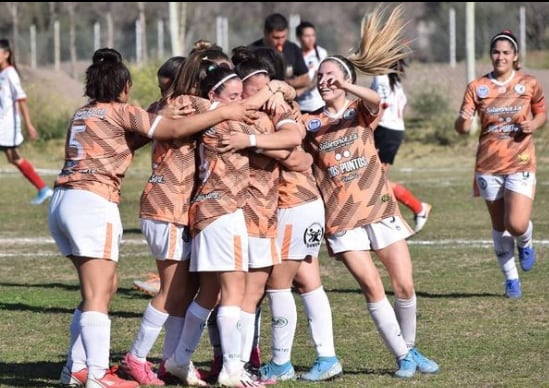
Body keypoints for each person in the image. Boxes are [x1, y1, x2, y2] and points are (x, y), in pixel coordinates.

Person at [229, 4, 440, 379]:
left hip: (381, 211)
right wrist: (278, 87)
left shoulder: (360, 111)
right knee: (372, 284)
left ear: (344, 79)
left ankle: (408, 349)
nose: (325, 80)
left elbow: (379, 101)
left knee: (404, 285)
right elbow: (287, 120)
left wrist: (345, 83)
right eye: (322, 75)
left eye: (331, 75)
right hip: (343, 221)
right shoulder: (310, 122)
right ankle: (404, 356)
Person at [51, 47, 256, 388]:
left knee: (100, 289)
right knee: (109, 292)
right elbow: (170, 130)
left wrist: (161, 109)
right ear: (125, 87)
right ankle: (107, 372)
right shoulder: (122, 111)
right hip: (101, 201)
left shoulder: (83, 113)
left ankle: (77, 368)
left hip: (64, 201)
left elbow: (134, 136)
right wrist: (225, 111)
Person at [224, 46, 343, 383]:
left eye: (243, 85)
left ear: (259, 81)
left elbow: (297, 157)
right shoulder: (275, 99)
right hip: (303, 206)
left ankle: (280, 363)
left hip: (295, 206)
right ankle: (327, 356)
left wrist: (249, 141)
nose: (240, 93)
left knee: (276, 285)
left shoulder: (273, 109)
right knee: (309, 281)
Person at [454, 29, 546, 298]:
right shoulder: (477, 87)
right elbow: (462, 126)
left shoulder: (529, 83)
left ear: (515, 56)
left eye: (506, 52)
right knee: (499, 226)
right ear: (490, 55)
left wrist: (534, 124)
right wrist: (462, 122)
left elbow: (541, 112)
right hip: (488, 164)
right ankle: (511, 280)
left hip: (521, 160)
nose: (501, 56)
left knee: (516, 224)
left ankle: (526, 241)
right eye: (496, 52)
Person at [131, 56, 186, 298]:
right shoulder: (159, 108)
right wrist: (156, 119)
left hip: (186, 198)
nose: (164, 95)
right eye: (160, 88)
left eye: (168, 88)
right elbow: (131, 141)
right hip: (170, 199)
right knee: (172, 293)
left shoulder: (192, 106)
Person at [370, 59, 432, 233]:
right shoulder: (396, 83)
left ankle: (416, 210)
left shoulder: (381, 78)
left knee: (375, 180)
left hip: (384, 131)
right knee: (375, 180)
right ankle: (413, 211)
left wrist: (370, 128)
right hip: (393, 131)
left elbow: (381, 106)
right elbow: (401, 109)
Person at [0, 38, 53, 205]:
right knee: (13, 158)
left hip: (6, 125)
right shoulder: (2, 74)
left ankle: (43, 189)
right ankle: (43, 189)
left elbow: (21, 99)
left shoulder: (10, 74)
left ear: (6, 54)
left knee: (13, 157)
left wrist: (28, 124)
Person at [249, 13, 310, 92]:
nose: (280, 41)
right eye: (276, 37)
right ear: (265, 33)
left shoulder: (293, 48)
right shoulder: (252, 51)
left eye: (283, 37)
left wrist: (285, 83)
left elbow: (305, 78)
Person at [295, 21, 328, 113]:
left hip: (316, 105)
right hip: (298, 105)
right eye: (307, 36)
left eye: (313, 35)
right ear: (299, 37)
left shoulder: (321, 54)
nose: (311, 39)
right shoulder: (294, 54)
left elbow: (317, 79)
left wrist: (298, 92)